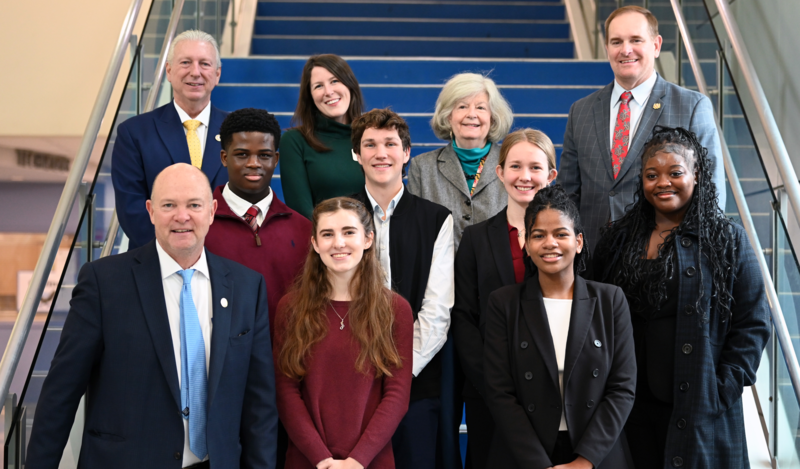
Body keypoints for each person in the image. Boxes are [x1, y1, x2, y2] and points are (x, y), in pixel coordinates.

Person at [27, 163, 277, 469]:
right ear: (151, 211)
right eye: (169, 205)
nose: (182, 216)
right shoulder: (103, 282)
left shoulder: (246, 287)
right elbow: (60, 393)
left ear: (212, 211)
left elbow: (260, 405)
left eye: (194, 205)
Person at [592, 126, 769, 469]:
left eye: (675, 172)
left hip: (701, 404)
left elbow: (754, 322)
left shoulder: (727, 238)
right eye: (651, 175)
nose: (663, 183)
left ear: (697, 175)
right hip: (631, 404)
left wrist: (721, 389)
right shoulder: (618, 240)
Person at [483, 184, 636, 469]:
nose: (550, 243)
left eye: (561, 234)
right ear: (526, 245)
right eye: (538, 235)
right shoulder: (503, 304)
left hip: (597, 454)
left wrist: (584, 461)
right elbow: (499, 391)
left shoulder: (610, 300)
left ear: (578, 242)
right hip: (525, 454)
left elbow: (622, 388)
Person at [557, 5, 725, 251]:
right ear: (607, 49)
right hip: (594, 263)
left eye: (636, 39)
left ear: (656, 45)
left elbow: (711, 194)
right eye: (616, 42)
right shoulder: (580, 111)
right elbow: (567, 194)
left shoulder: (691, 107)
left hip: (664, 262)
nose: (626, 50)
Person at [274, 197, 414, 469]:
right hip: (308, 461)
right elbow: (286, 391)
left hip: (371, 461)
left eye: (349, 232)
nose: (338, 243)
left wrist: (357, 461)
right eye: (327, 234)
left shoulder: (395, 309)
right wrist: (321, 458)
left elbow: (397, 396)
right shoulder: (290, 308)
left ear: (368, 239)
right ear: (315, 243)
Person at [348, 108, 454, 469]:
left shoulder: (437, 218)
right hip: (351, 378)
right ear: (356, 154)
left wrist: (399, 375)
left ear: (406, 153)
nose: (381, 153)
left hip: (416, 381)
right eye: (370, 144)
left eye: (391, 144)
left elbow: (437, 312)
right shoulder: (336, 217)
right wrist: (363, 372)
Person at [453, 128, 557, 469]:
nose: (524, 177)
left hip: (553, 392)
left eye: (535, 168)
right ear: (499, 172)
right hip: (491, 393)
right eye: (515, 166)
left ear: (551, 175)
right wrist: (495, 385)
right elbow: (464, 318)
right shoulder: (475, 239)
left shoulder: (568, 239)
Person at [112, 30, 228, 249]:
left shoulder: (239, 132)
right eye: (186, 62)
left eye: (205, 64)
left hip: (225, 264)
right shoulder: (134, 133)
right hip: (155, 265)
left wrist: (207, 256)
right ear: (169, 71)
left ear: (217, 74)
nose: (195, 72)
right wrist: (180, 253)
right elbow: (132, 209)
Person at [205, 107, 311, 337]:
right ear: (224, 157)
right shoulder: (200, 225)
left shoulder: (304, 230)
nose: (254, 163)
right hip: (218, 362)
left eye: (264, 155)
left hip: (285, 363)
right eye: (242, 154)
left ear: (276, 159)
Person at [407, 72, 514, 248]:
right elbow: (415, 231)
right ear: (449, 116)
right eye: (462, 107)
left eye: (481, 108)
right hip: (441, 271)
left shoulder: (512, 163)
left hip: (498, 272)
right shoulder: (422, 167)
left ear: (492, 118)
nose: (471, 114)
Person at [280, 54, 366, 219]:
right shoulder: (295, 141)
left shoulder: (370, 137)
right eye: (318, 86)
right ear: (310, 96)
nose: (328, 92)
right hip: (324, 241)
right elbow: (301, 215)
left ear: (350, 85)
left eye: (335, 81)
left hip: (374, 241)